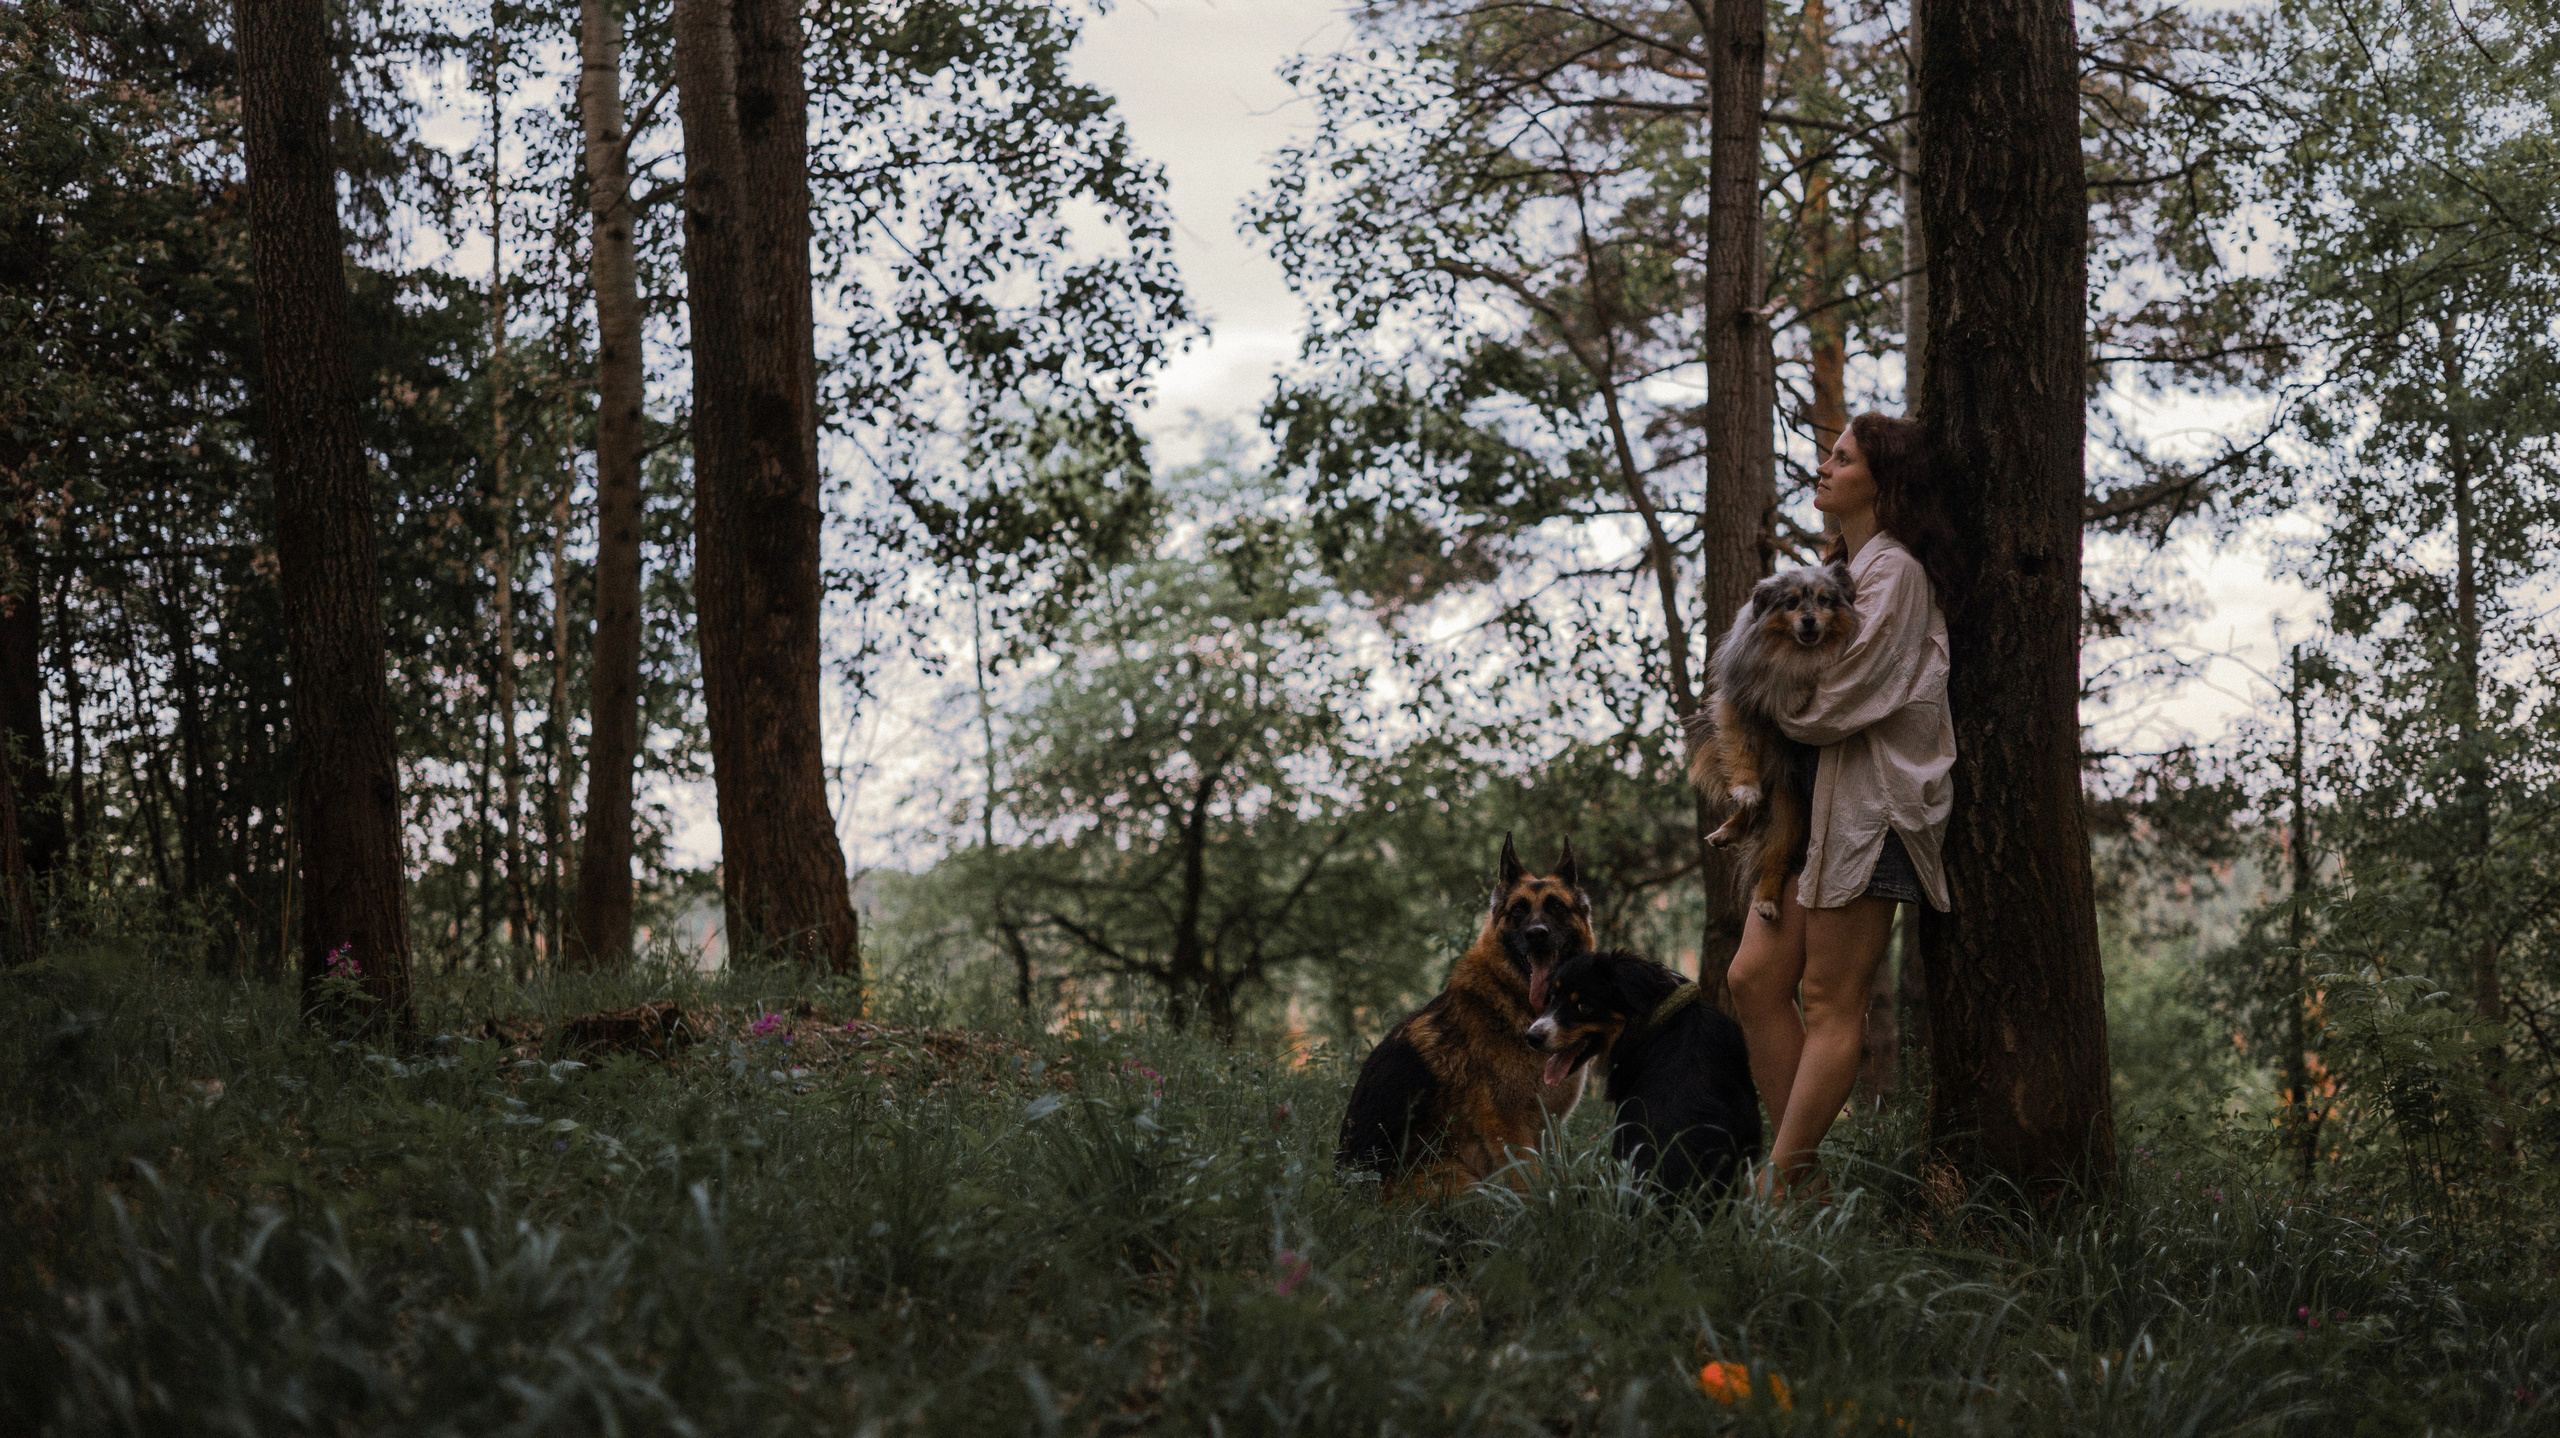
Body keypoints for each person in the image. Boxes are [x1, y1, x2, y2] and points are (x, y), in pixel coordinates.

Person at [1726, 412, 1960, 1200]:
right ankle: (1809, 1182)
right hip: (1817, 806)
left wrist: (1767, 710)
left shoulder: (1897, 573)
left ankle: (1778, 1188)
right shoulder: (1843, 567)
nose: (1824, 466)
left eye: (1843, 457)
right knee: (1754, 981)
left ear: (1881, 482)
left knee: (1830, 1000)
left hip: (1876, 808)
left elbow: (1842, 698)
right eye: (1827, 454)